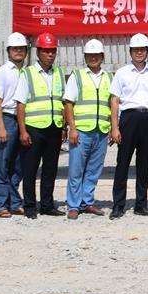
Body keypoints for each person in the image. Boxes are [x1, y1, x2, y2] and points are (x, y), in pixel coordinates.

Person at [109, 33, 148, 220]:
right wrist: (114, 127)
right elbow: (114, 100)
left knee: (143, 164)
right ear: (130, 51)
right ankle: (118, 205)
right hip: (128, 120)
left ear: (147, 51)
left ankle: (141, 205)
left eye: (142, 50)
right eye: (135, 50)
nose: (139, 53)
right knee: (122, 163)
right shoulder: (122, 73)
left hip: (147, 118)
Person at [14, 32, 66, 219]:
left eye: (53, 51)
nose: (50, 54)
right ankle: (29, 206)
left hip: (54, 128)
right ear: (38, 52)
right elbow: (21, 104)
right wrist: (22, 131)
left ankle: (47, 205)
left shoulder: (59, 73)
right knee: (30, 169)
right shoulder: (27, 74)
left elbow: (63, 102)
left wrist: (64, 127)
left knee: (50, 169)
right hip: (34, 129)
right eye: (46, 51)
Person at [62, 39, 113, 220]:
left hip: (101, 130)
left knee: (93, 170)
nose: (93, 58)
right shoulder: (77, 76)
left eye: (96, 55)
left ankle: (87, 201)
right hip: (82, 131)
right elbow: (68, 103)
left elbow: (113, 104)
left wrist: (113, 127)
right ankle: (74, 205)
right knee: (76, 170)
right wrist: (72, 129)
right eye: (90, 55)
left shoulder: (109, 77)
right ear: (85, 57)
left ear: (102, 56)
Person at [0, 32, 28, 218]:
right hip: (7, 118)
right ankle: (1, 205)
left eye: (22, 49)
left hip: (24, 120)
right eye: (15, 49)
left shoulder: (28, 71)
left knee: (19, 165)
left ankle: (14, 202)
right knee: (3, 164)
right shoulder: (2, 72)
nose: (18, 52)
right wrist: (1, 126)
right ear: (8, 51)